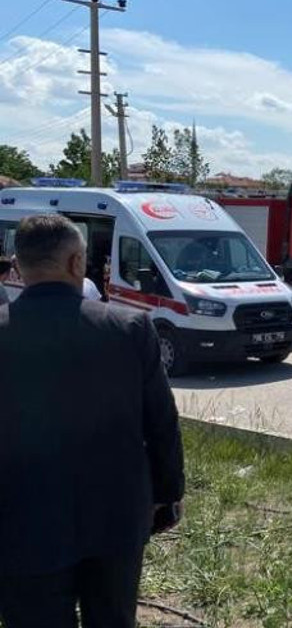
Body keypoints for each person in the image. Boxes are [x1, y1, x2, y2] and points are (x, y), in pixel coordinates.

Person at [0, 214, 185, 628]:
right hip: (115, 517)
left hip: (20, 524)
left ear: (17, 266)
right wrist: (169, 494)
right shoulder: (129, 327)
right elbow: (161, 422)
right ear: (76, 263)